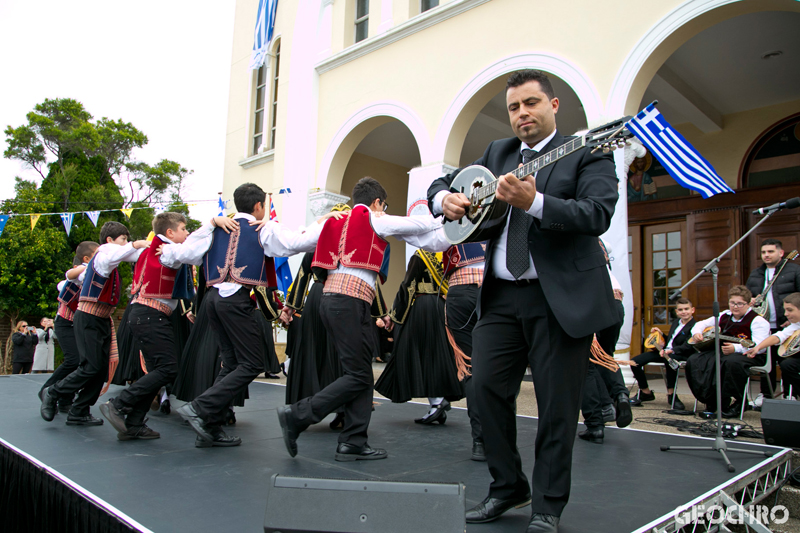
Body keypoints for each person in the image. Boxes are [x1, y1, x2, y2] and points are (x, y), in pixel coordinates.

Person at [427, 69, 618, 533]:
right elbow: (444, 183)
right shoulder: (498, 153)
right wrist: (444, 199)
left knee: (556, 406)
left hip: (558, 300)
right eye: (514, 107)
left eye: (531, 103)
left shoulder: (588, 151)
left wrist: (534, 203)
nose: (522, 114)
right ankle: (508, 485)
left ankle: (548, 506)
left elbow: (598, 213)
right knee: (485, 389)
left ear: (553, 106)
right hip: (500, 298)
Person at [276, 177, 440, 462]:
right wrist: (449, 211)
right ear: (377, 202)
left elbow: (292, 243)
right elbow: (420, 225)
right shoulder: (375, 218)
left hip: (333, 303)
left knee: (360, 371)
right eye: (384, 205)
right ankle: (298, 415)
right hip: (349, 304)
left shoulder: (331, 222)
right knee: (358, 374)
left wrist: (273, 226)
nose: (384, 210)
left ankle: (353, 440)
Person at [162, 183, 333, 447]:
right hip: (235, 301)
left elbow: (182, 254)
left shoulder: (216, 229)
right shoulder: (263, 229)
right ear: (258, 207)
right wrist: (324, 223)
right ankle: (200, 408)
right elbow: (297, 243)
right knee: (252, 363)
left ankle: (210, 425)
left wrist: (209, 223)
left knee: (230, 363)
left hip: (212, 301)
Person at [99, 212, 211, 441]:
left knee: (159, 370)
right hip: (151, 315)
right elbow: (195, 245)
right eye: (183, 228)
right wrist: (212, 223)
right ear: (170, 232)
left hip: (146, 314)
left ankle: (134, 423)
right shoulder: (167, 250)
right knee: (168, 369)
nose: (187, 233)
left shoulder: (154, 249)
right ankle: (118, 405)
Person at [40, 222, 149, 426]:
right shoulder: (104, 254)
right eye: (123, 239)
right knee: (90, 366)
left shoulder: (109, 260)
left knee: (100, 369)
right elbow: (118, 255)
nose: (126, 243)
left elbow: (132, 255)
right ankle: (53, 392)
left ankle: (79, 410)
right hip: (89, 317)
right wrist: (137, 244)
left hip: (100, 319)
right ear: (109, 241)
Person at [374, 250, 464, 423]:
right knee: (437, 353)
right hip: (441, 305)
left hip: (423, 307)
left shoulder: (420, 255)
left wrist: (395, 316)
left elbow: (408, 286)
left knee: (421, 352)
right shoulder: (447, 253)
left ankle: (437, 402)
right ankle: (436, 403)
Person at [685, 285, 769, 417]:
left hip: (749, 355)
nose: (735, 307)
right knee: (695, 360)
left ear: (748, 304)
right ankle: (711, 400)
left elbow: (760, 346)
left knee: (730, 363)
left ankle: (739, 401)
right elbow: (700, 324)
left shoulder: (758, 321)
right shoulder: (724, 315)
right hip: (723, 352)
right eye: (732, 303)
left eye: (740, 304)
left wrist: (736, 348)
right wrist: (696, 333)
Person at [578, 239, 632, 444]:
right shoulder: (600, 242)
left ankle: (595, 423)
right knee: (604, 356)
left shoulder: (570, 243)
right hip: (615, 302)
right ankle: (619, 396)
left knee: (585, 366)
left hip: (592, 301)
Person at [39, 242, 99, 412]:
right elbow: (66, 281)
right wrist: (83, 268)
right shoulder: (72, 279)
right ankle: (47, 390)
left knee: (81, 362)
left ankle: (65, 398)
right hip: (65, 323)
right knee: (73, 359)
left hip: (78, 324)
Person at [745, 238, 800, 405]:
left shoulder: (793, 270)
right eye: (763, 252)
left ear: (781, 253)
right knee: (766, 361)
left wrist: (791, 319)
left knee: (786, 361)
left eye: (770, 251)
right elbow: (747, 297)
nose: (766, 255)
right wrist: (751, 300)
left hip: (788, 325)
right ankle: (766, 396)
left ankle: (789, 395)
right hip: (764, 326)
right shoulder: (756, 273)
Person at [629, 298, 696, 410]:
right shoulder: (676, 323)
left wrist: (671, 351)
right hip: (665, 352)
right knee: (635, 362)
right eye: (680, 309)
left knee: (669, 360)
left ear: (692, 310)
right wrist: (661, 335)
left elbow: (688, 345)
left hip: (680, 354)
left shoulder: (695, 325)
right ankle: (645, 392)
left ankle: (671, 395)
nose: (684, 312)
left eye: (686, 309)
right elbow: (670, 341)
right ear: (676, 312)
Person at [745, 292, 800, 399]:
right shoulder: (796, 325)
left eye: (790, 310)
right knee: (787, 364)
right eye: (785, 310)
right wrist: (757, 347)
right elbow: (778, 336)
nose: (785, 314)